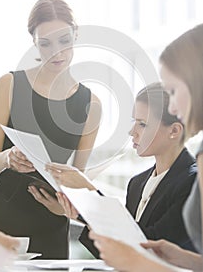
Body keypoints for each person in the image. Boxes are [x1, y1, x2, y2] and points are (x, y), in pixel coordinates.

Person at [0, 0, 101, 259]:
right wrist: (8, 158)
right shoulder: (8, 85)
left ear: (76, 35)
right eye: (45, 43)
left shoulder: (91, 104)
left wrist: (63, 206)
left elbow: (76, 178)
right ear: (34, 42)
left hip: (50, 223)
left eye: (64, 41)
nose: (56, 52)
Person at [85, 24, 203, 271]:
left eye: (174, 90)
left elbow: (139, 247)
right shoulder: (137, 183)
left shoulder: (190, 177)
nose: (173, 107)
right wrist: (184, 259)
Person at [29, 82, 197, 255]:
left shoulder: (194, 184)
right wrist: (79, 213)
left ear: (174, 131)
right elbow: (118, 251)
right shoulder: (137, 183)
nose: (132, 131)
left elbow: (149, 250)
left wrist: (90, 192)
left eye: (142, 124)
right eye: (134, 121)